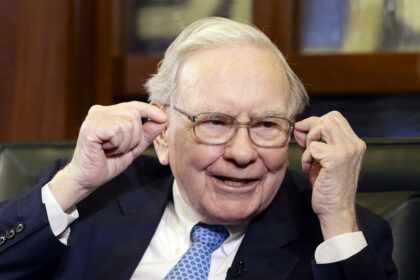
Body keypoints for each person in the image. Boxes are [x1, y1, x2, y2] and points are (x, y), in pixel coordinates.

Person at [0, 17, 396, 280]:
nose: (242, 153)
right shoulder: (90, 203)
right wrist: (73, 183)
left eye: (266, 124)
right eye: (215, 122)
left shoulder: (338, 237)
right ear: (162, 134)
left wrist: (338, 218)